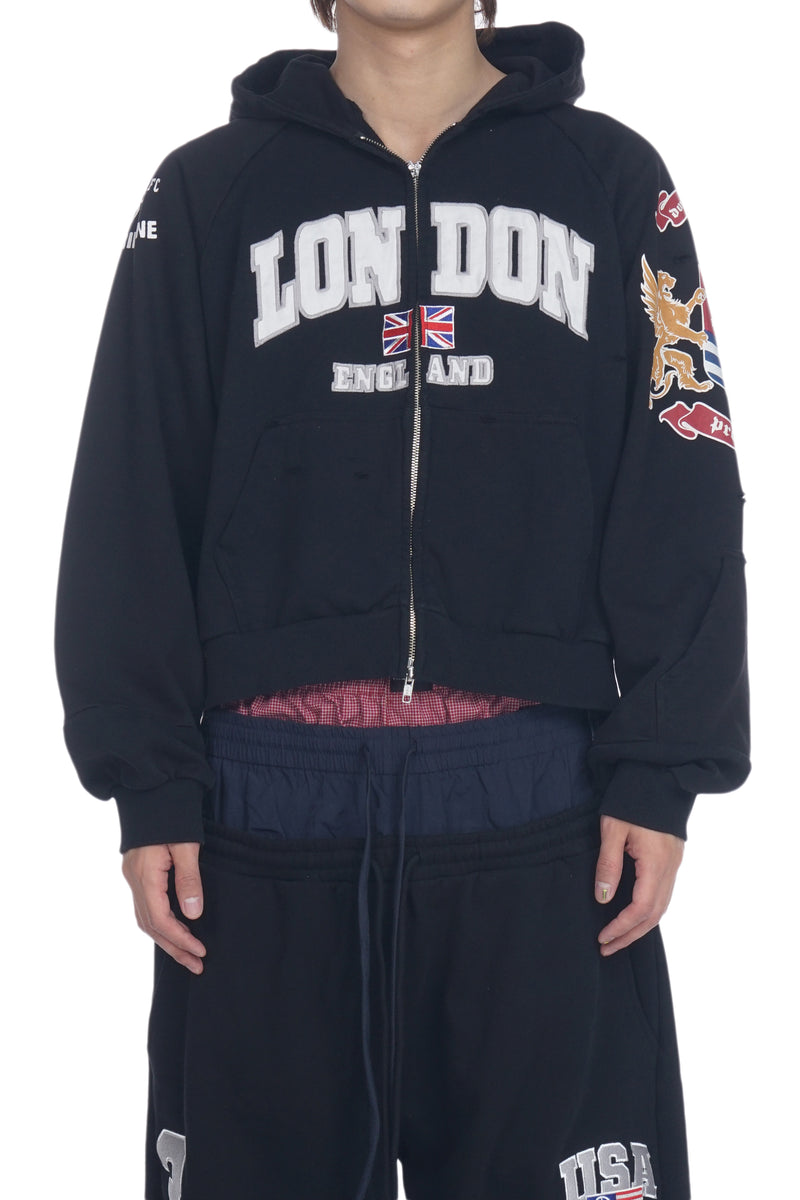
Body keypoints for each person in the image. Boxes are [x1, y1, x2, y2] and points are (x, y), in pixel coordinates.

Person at [54, 2, 750, 1198]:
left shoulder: (607, 177)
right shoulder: (210, 190)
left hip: (538, 805)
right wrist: (147, 769)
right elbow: (132, 478)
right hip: (263, 814)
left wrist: (662, 760)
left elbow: (678, 468)